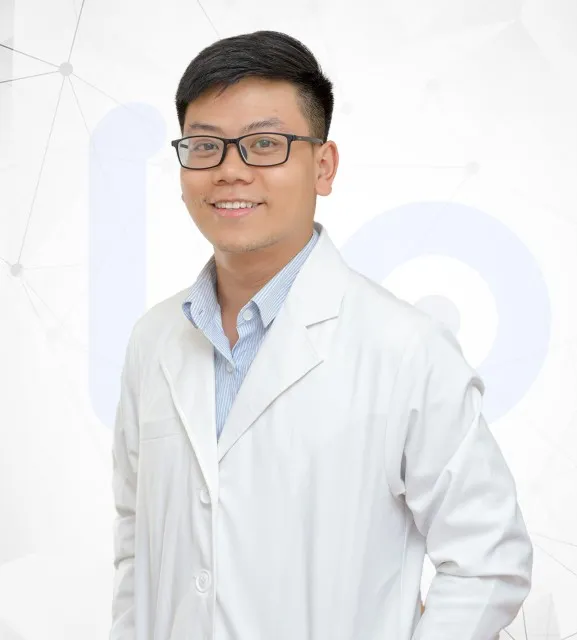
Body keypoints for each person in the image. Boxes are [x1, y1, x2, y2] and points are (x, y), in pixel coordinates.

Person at [110, 29, 533, 640]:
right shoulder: (153, 341)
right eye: (205, 146)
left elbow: (489, 560)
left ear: (324, 166)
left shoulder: (406, 349)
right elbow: (137, 547)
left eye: (264, 144)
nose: (230, 171)